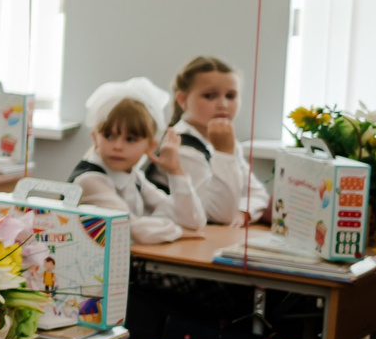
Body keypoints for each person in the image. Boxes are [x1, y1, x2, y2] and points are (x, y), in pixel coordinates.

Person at [73, 81, 204, 245]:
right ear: (95, 138)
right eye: (109, 136)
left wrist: (176, 171)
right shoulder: (90, 180)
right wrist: (178, 231)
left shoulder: (134, 177)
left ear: (150, 146)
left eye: (131, 139)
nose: (118, 146)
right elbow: (132, 227)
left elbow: (192, 222)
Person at [163, 56, 264, 225]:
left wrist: (242, 212)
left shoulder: (225, 140)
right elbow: (216, 215)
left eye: (231, 96)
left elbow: (257, 193)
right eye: (210, 96)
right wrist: (224, 152)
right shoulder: (180, 146)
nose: (223, 104)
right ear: (183, 100)